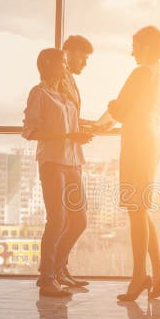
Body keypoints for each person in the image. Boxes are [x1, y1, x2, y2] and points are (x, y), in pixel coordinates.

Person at [93, 27, 160, 302]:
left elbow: (121, 109)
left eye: (135, 46)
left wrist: (95, 127)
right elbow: (131, 108)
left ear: (147, 47)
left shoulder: (142, 73)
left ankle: (140, 275)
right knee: (140, 209)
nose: (132, 51)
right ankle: (158, 272)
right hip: (151, 139)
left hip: (138, 140)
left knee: (135, 208)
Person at [23, 48, 93, 297]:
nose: (66, 66)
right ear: (48, 65)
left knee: (79, 221)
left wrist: (84, 132)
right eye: (62, 62)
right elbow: (31, 131)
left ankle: (58, 269)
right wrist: (66, 136)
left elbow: (71, 126)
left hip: (73, 162)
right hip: (52, 162)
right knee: (57, 220)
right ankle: (47, 278)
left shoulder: (63, 95)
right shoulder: (39, 93)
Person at [52, 34, 96, 288]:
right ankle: (53, 270)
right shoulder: (56, 79)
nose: (85, 63)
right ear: (69, 52)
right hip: (60, 158)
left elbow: (67, 116)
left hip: (72, 157)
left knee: (76, 219)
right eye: (84, 57)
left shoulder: (69, 81)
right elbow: (53, 117)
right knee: (67, 220)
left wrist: (85, 125)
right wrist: (75, 131)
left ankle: (59, 268)